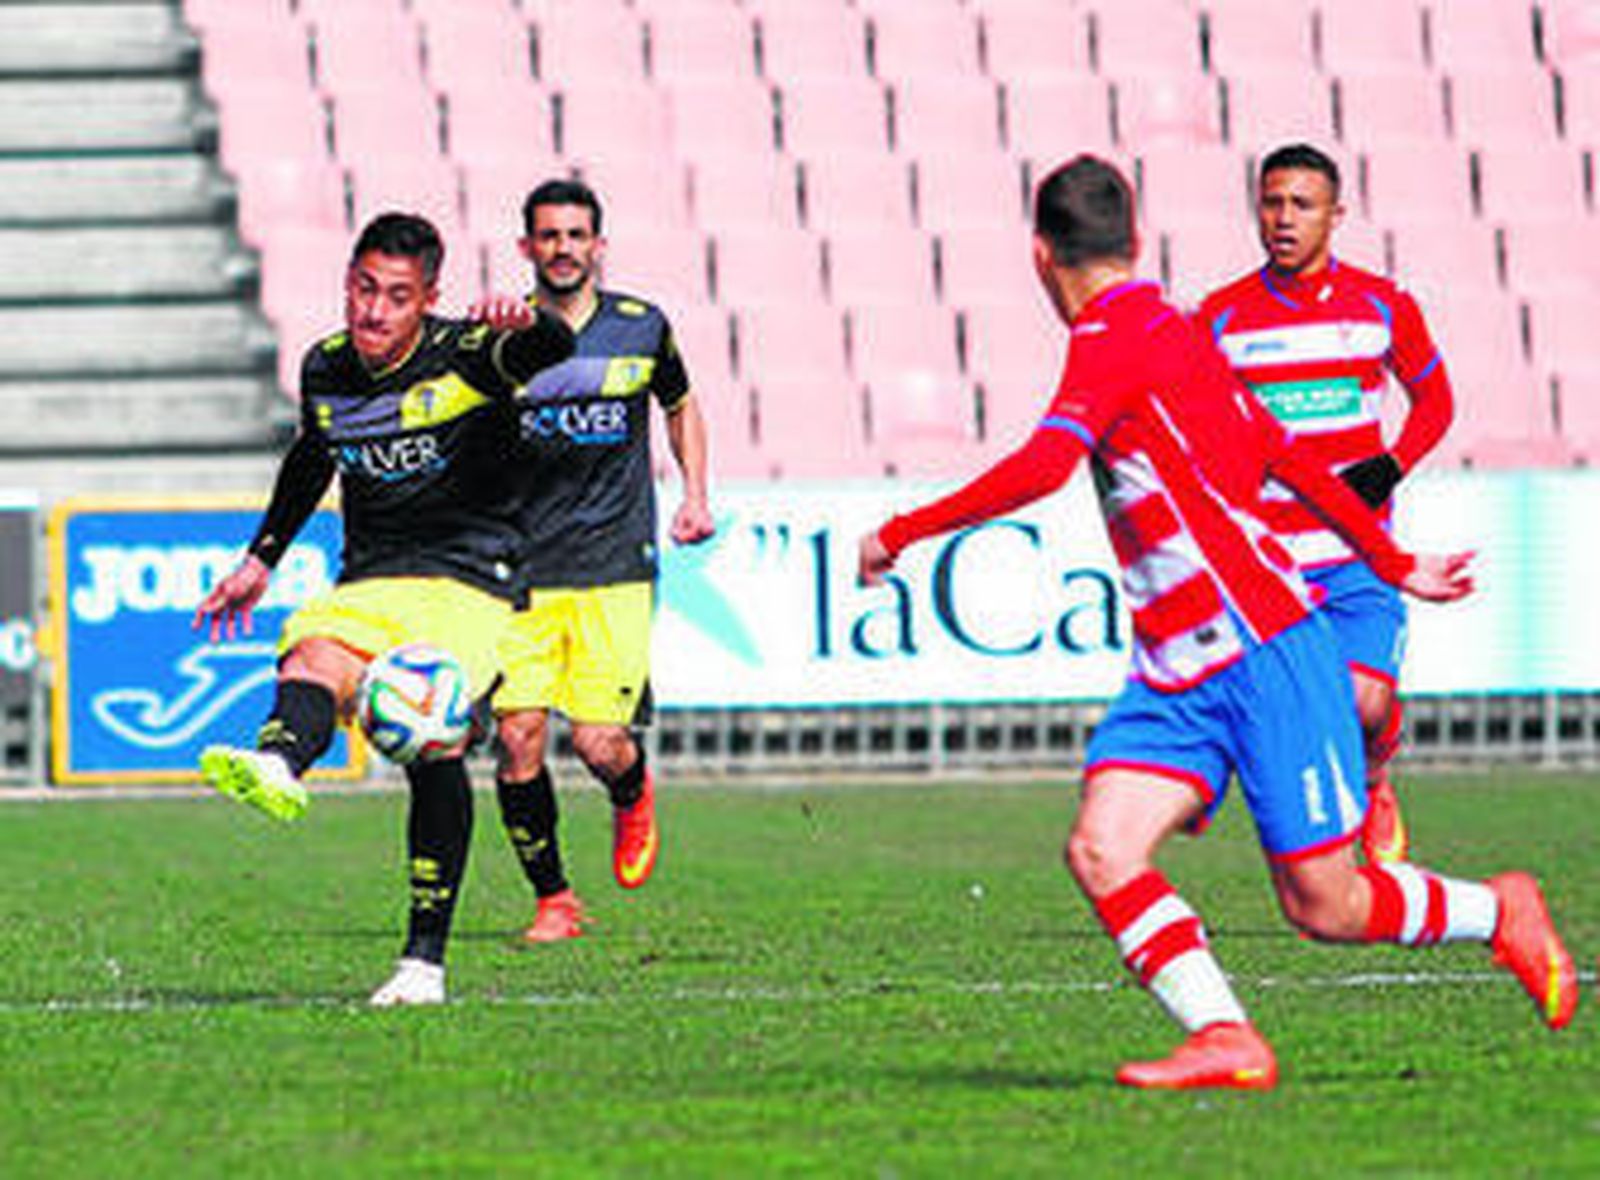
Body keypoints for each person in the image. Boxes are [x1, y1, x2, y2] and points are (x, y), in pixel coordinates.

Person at [858, 156, 1577, 1090]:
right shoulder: (1180, 330)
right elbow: (1281, 453)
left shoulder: (1117, 337)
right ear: (1137, 242)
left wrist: (902, 531)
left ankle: (1501, 910)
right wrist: (1391, 557)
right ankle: (1226, 1036)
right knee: (1102, 847)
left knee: (1327, 904)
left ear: (1041, 257)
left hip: (1262, 646)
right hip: (1177, 664)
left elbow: (1044, 465)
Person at [193, 212, 574, 1005]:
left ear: (427, 299)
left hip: (476, 579)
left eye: (396, 297)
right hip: (374, 577)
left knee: (432, 738)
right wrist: (261, 558)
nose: (373, 310)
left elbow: (553, 347)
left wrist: (526, 319)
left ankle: (422, 964)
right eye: (363, 289)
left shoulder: (474, 350)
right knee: (310, 655)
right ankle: (280, 763)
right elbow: (312, 455)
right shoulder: (326, 367)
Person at [1198, 143, 1455, 866]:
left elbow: (1435, 401)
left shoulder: (1383, 305)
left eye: (1301, 205)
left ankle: (1376, 782)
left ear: (1336, 216)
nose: (1283, 219)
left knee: (1367, 704)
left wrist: (1393, 465)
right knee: (1293, 724)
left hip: (1355, 552)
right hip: (1268, 563)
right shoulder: (1219, 320)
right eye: (1272, 203)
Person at [478, 179, 714, 943]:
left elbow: (680, 403)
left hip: (614, 564)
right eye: (548, 236)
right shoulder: (500, 339)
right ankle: (555, 901)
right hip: (517, 572)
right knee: (517, 736)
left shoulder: (643, 328)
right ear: (527, 248)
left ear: (598, 245)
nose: (563, 249)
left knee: (597, 742)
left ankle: (632, 787)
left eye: (576, 235)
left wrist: (695, 493)